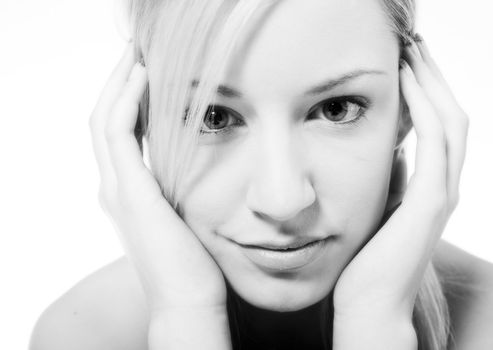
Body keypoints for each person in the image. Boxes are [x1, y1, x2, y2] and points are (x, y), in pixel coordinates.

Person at [29, 0, 493, 349]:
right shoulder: (83, 334)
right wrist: (186, 317)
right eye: (214, 116)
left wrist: (377, 321)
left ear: (411, 113)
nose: (283, 200)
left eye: (335, 109)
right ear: (138, 118)